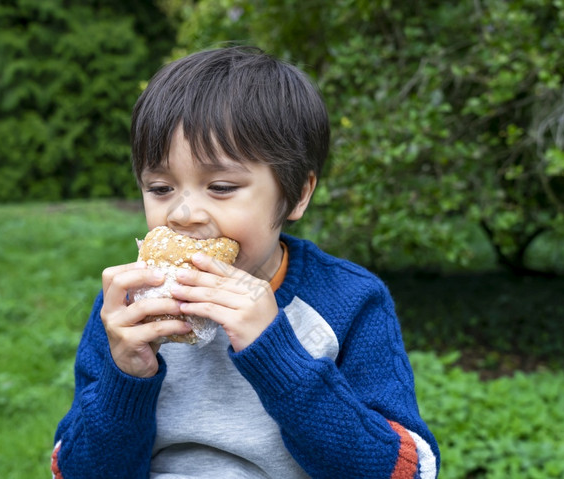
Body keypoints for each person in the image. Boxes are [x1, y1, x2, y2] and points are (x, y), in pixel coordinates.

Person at [51, 45, 440, 478]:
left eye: (219, 186)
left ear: (297, 193)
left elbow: (407, 470)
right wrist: (126, 377)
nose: (182, 214)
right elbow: (77, 470)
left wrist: (277, 356)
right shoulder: (127, 308)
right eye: (160, 188)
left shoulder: (350, 302)